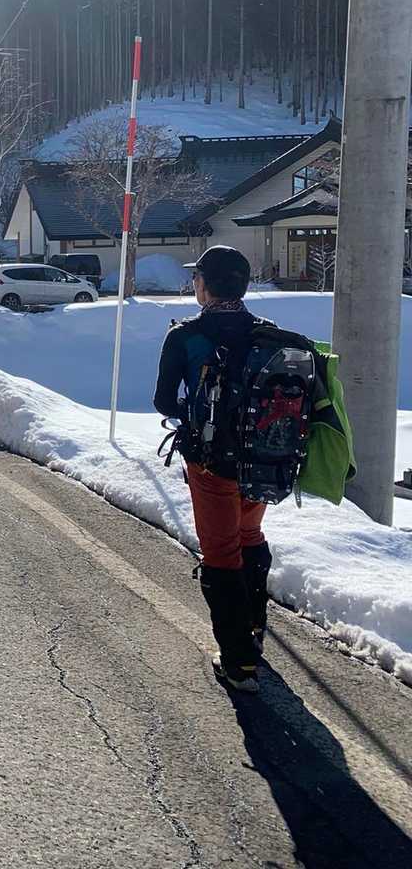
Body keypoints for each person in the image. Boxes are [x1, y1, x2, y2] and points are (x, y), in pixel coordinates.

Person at [153, 246, 270, 694]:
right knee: (249, 536)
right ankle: (253, 628)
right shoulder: (270, 335)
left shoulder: (186, 336)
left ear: (204, 285)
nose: (194, 285)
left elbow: (164, 402)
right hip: (264, 462)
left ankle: (240, 664)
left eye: (196, 278)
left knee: (221, 553)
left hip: (212, 462)